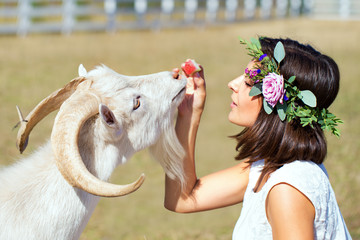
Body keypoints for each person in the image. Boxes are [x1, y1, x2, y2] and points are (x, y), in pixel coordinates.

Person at [166, 37, 352, 239]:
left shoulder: (288, 188)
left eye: (248, 82)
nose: (232, 84)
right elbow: (182, 198)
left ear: (276, 103)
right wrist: (189, 113)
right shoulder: (269, 168)